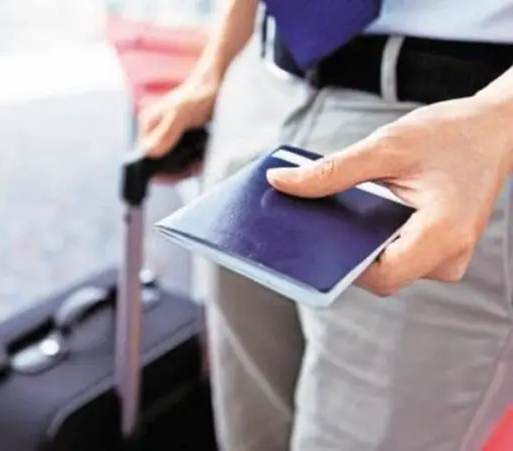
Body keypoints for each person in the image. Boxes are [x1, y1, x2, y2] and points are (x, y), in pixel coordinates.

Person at [138, 1, 513, 450]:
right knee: (251, 431)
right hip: (264, 79)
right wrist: (215, 67)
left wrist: (499, 120)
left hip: (451, 127)